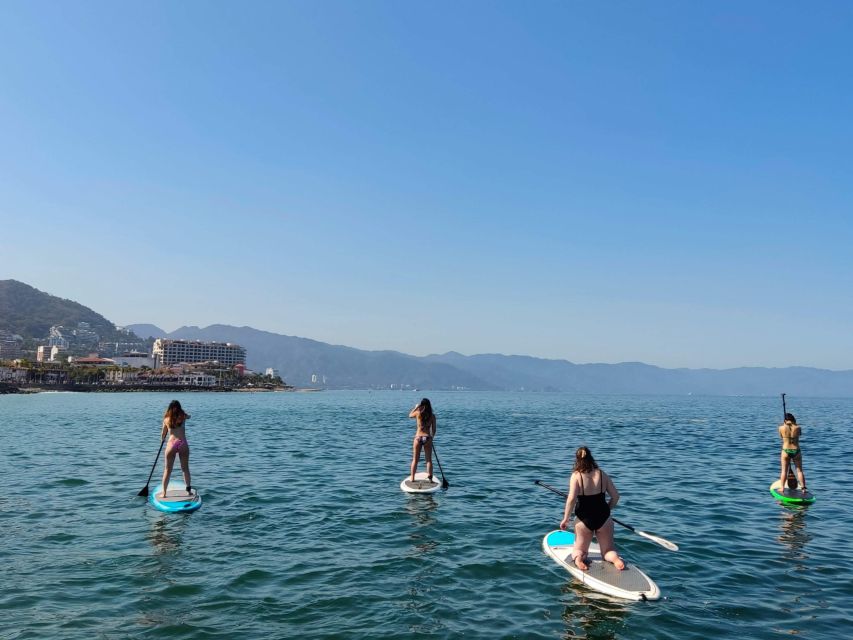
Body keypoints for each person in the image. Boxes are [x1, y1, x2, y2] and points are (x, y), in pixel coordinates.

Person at [559, 446, 625, 572]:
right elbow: (615, 496)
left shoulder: (576, 476)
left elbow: (571, 499)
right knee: (608, 551)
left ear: (577, 460)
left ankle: (579, 559)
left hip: (584, 520)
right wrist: (607, 510)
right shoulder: (602, 474)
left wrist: (565, 519)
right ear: (591, 457)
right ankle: (616, 559)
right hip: (604, 518)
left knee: (580, 550)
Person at [159, 400, 193, 497]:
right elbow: (190, 416)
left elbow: (163, 434)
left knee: (167, 470)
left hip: (171, 444)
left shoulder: (166, 419)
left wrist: (162, 440)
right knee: (185, 469)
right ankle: (189, 491)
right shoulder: (183, 417)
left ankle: (164, 493)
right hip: (182, 443)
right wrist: (184, 414)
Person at [409, 398, 436, 482]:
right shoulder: (432, 416)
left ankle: (412, 478)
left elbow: (410, 415)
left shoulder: (418, 413)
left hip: (418, 438)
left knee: (415, 460)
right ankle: (430, 479)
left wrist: (416, 407)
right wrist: (431, 438)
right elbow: (434, 430)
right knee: (428, 460)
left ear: (422, 405)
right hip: (427, 438)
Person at [779, 412, 807, 493]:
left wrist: (785, 425)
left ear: (785, 420)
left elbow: (781, 436)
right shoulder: (798, 427)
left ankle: (782, 488)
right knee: (799, 471)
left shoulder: (781, 428)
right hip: (796, 451)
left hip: (785, 451)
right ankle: (803, 488)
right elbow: (799, 434)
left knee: (784, 471)